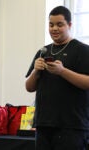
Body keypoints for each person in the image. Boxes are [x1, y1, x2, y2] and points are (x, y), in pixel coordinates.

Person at [25, 6, 89, 150]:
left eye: (60, 24)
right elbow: (29, 87)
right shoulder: (43, 51)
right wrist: (36, 71)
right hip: (44, 124)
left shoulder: (82, 50)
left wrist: (62, 71)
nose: (54, 28)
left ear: (69, 25)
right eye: (51, 24)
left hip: (72, 126)